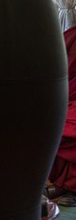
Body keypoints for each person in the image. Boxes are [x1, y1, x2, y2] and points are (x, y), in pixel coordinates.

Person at [46, 26, 76, 206]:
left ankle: (66, 187)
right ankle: (65, 186)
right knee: (56, 122)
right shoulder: (72, 36)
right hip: (69, 96)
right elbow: (56, 68)